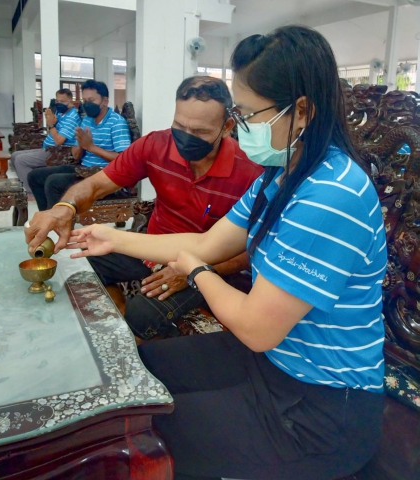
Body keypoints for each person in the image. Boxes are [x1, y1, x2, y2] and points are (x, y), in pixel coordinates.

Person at [60, 26, 387, 480]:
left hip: (318, 410)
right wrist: (111, 238)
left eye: (249, 114)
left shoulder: (331, 195)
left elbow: (255, 327)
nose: (243, 126)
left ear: (302, 111)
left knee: (137, 434)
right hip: (271, 364)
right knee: (139, 371)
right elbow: (204, 243)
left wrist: (197, 272)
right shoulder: (281, 174)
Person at [25, 76, 263, 343]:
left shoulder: (251, 173)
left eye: (199, 132)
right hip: (150, 248)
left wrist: (196, 271)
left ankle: (139, 346)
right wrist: (64, 207)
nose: (186, 137)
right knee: (78, 262)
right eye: (179, 126)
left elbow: (252, 250)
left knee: (143, 313)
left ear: (227, 126)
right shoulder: (156, 145)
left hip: (204, 263)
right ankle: (117, 327)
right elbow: (96, 184)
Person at [28, 80, 131, 211]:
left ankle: (58, 220)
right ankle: (47, 216)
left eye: (91, 100)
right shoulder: (87, 119)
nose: (87, 104)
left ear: (105, 101)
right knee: (34, 176)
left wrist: (91, 147)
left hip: (105, 175)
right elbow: (76, 156)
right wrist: (81, 144)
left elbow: (124, 160)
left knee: (53, 182)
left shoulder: (117, 122)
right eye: (85, 100)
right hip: (84, 169)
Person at [11, 88, 80, 198]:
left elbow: (58, 141)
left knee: (20, 160)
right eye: (57, 101)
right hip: (48, 147)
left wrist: (51, 124)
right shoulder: (60, 112)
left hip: (57, 152)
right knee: (15, 155)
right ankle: (29, 186)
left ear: (71, 102)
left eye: (62, 101)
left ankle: (31, 194)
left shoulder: (72, 117)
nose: (59, 103)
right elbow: (50, 132)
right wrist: (50, 123)